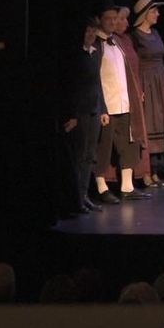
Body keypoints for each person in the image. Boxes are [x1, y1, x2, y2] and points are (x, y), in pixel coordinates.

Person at [92, 0, 148, 203]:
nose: (113, 22)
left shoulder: (117, 42)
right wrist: (101, 107)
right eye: (108, 18)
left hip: (124, 103)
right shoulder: (96, 45)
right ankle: (101, 188)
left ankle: (127, 187)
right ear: (99, 20)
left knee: (128, 146)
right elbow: (94, 79)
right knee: (104, 148)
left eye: (115, 18)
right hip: (107, 105)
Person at [131, 0, 164, 184]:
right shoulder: (135, 36)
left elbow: (162, 59)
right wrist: (138, 88)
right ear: (145, 14)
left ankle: (156, 170)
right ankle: (146, 171)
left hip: (161, 80)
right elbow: (134, 64)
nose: (157, 14)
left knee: (161, 123)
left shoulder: (156, 33)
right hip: (146, 81)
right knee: (150, 124)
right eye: (154, 11)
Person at [62, 17, 105, 213]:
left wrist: (103, 109)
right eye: (88, 31)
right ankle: (75, 199)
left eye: (93, 31)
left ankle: (84, 195)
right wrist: (72, 114)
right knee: (79, 156)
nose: (91, 35)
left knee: (90, 156)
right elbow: (70, 87)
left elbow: (98, 83)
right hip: (80, 112)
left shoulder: (95, 53)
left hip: (94, 109)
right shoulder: (75, 56)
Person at [113, 5, 155, 189]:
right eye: (121, 19)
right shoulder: (112, 41)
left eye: (126, 19)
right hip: (118, 96)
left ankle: (136, 178)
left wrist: (139, 88)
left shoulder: (127, 39)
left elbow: (134, 67)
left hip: (133, 94)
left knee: (136, 136)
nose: (126, 23)